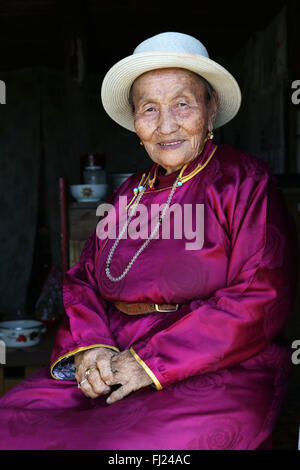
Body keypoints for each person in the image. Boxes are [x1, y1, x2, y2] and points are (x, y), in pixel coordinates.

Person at [0, 31, 298, 450]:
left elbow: (261, 293)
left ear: (211, 110)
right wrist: (90, 351)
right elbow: (83, 279)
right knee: (10, 420)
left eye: (182, 104)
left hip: (221, 366)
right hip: (114, 358)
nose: (166, 125)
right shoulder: (128, 194)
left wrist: (148, 364)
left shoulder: (244, 181)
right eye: (149, 109)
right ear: (135, 123)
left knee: (142, 448)